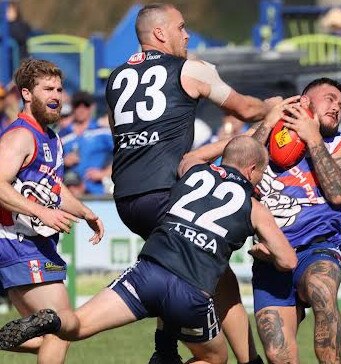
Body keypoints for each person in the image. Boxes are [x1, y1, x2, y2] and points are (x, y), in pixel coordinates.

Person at [0, 135, 297, 364]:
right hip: (191, 292)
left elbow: (190, 156)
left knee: (76, 327)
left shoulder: (194, 171)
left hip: (147, 273)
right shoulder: (255, 207)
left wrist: (229, 146)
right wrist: (261, 251)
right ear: (253, 168)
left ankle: (52, 319)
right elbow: (288, 260)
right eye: (261, 172)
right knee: (215, 358)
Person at [105, 4, 280, 363]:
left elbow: (120, 137)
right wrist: (270, 108)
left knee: (188, 267)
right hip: (164, 192)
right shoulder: (189, 68)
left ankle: (166, 347)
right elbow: (244, 108)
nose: (187, 35)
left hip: (125, 198)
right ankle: (239, 359)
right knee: (214, 271)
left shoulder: (116, 77)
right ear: (159, 34)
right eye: (181, 27)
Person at [0, 59, 104, 363]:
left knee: (53, 332)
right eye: (47, 88)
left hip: (36, 245)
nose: (56, 94)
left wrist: (85, 212)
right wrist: (42, 213)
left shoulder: (52, 138)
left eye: (59, 88)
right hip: (16, 243)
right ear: (27, 94)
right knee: (60, 324)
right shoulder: (20, 135)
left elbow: (54, 187)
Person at [249, 78, 341, 363]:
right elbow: (234, 171)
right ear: (305, 101)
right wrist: (267, 123)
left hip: (317, 246)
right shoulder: (269, 135)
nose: (337, 107)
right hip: (270, 254)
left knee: (322, 289)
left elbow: (340, 193)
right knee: (277, 354)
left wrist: (313, 139)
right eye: (330, 99)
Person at [59, 91, 114, 195]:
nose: (81, 109)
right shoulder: (62, 135)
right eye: (77, 105)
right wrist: (63, 161)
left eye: (86, 105)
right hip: (70, 193)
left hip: (97, 193)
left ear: (92, 107)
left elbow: (122, 155)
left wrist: (104, 173)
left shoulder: (102, 132)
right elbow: (49, 162)